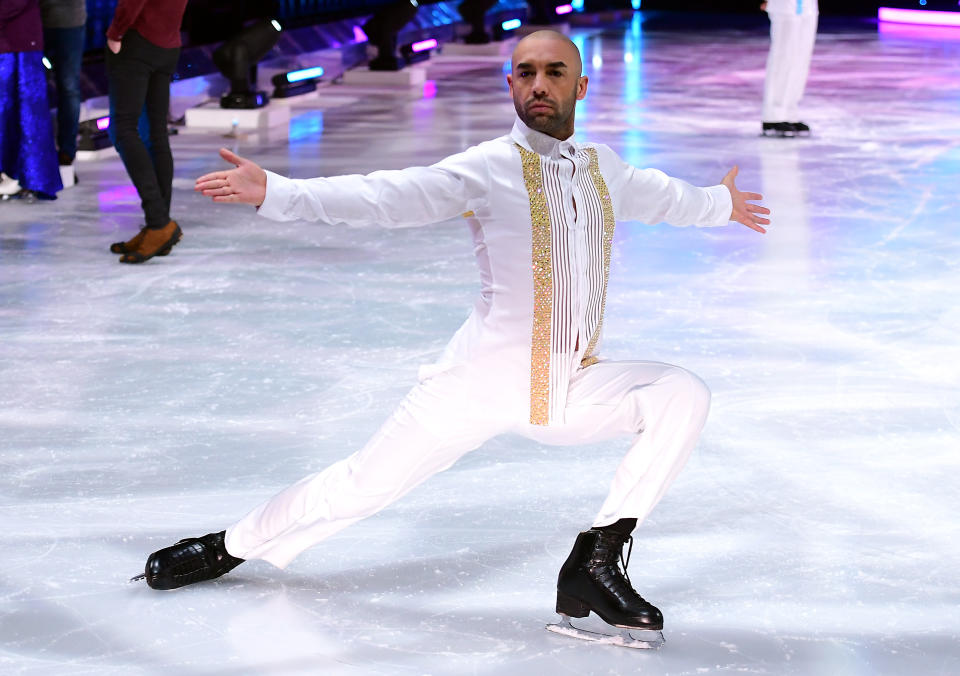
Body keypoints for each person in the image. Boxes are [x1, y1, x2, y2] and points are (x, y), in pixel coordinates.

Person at [138, 31, 770, 644]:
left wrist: (720, 203)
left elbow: (660, 195)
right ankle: (228, 546)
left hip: (566, 388)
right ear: (511, 85)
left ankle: (596, 561)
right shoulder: (489, 167)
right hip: (476, 385)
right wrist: (278, 191)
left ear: (581, 83)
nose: (539, 85)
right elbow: (386, 197)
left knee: (680, 393)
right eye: (525, 73)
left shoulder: (602, 168)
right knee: (362, 486)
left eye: (554, 73)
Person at [104, 0, 188, 264]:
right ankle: (159, 226)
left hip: (139, 41)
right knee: (155, 135)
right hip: (168, 42)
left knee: (123, 130)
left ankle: (159, 221)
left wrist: (116, 32)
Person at [0, 0, 63, 201]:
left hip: (20, 44)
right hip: (11, 44)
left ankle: (32, 178)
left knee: (29, 114)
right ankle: (12, 175)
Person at [39, 0, 86, 187]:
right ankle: (39, 153)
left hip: (69, 22)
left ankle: (67, 153)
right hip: (34, 21)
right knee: (34, 91)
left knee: (68, 88)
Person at [761, 0, 818, 137]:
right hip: (784, 6)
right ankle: (773, 116)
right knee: (783, 58)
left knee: (801, 58)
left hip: (807, 6)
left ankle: (790, 112)